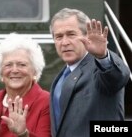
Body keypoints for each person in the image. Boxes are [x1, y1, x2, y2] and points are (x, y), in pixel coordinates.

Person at [49, 8, 130, 137]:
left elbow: (117, 77)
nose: (64, 42)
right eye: (58, 37)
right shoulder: (60, 78)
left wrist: (103, 57)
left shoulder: (100, 66)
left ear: (87, 36)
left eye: (71, 34)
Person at [0, 33, 51, 137]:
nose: (14, 70)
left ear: (35, 72)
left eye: (22, 65)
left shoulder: (46, 102)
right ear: (1, 72)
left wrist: (23, 134)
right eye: (8, 65)